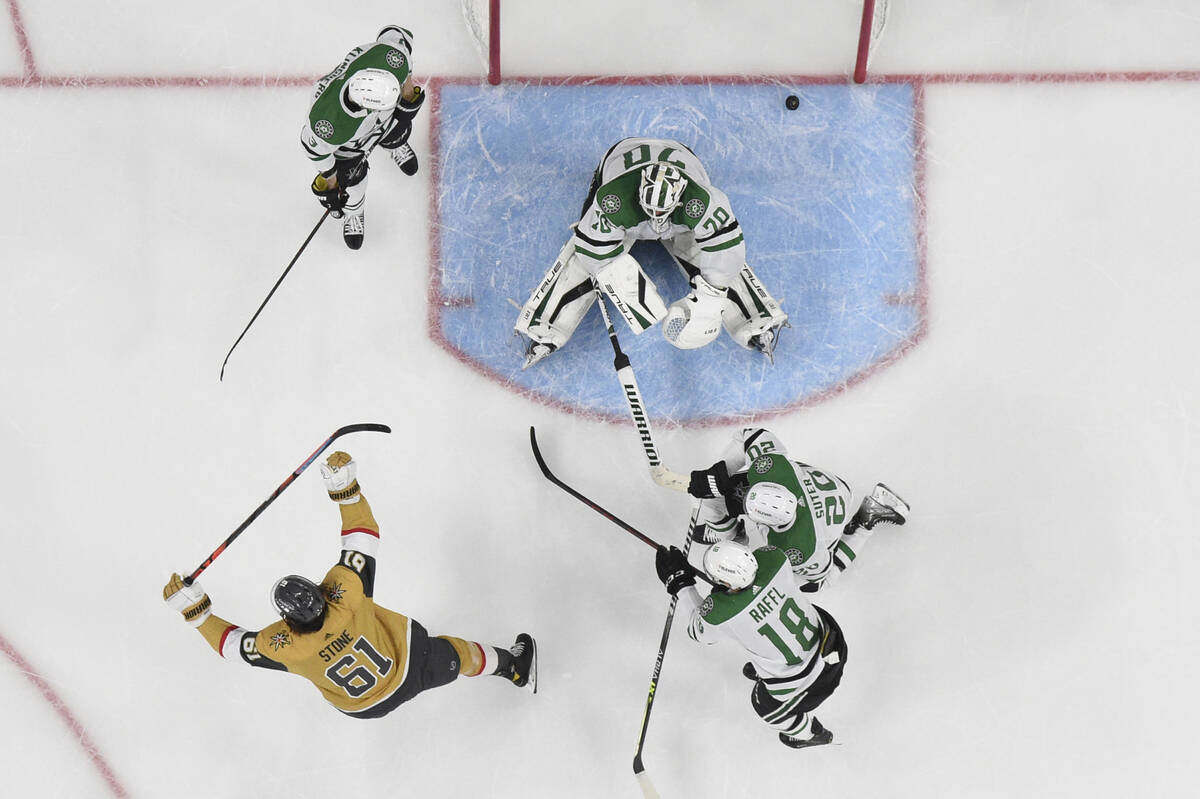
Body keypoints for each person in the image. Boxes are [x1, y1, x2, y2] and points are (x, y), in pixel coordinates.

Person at [163, 451, 536, 719]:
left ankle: (506, 667)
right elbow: (362, 535)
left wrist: (196, 614)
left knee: (441, 653)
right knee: (460, 651)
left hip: (362, 707)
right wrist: (347, 492)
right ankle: (512, 668)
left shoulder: (285, 647)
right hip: (409, 666)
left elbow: (233, 647)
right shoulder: (347, 597)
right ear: (320, 594)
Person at [515, 137, 790, 368]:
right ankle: (543, 328)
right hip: (627, 195)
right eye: (652, 210)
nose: (657, 218)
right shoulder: (614, 199)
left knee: (708, 258)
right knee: (584, 262)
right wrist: (618, 278)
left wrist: (711, 298)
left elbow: (727, 252)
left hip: (679, 214)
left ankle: (757, 321)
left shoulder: (702, 200)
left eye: (662, 212)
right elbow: (590, 250)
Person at [655, 540, 844, 749]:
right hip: (832, 643)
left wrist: (681, 585)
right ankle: (769, 671)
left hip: (813, 684)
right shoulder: (775, 557)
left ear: (727, 583)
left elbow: (699, 632)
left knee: (763, 705)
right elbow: (748, 592)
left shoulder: (721, 613)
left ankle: (810, 734)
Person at [686, 428, 909, 591]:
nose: (740, 498)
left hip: (825, 522)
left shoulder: (798, 549)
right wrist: (718, 472)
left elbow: (820, 573)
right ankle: (732, 536)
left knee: (816, 585)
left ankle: (866, 519)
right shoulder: (772, 468)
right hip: (830, 487)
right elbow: (749, 434)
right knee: (711, 497)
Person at [302, 25, 426, 250]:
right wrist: (332, 184)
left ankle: (394, 145)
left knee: (395, 132)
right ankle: (354, 212)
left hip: (383, 119)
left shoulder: (391, 59)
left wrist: (407, 101)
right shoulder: (328, 124)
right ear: (366, 107)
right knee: (353, 184)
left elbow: (401, 52)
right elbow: (314, 150)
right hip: (347, 144)